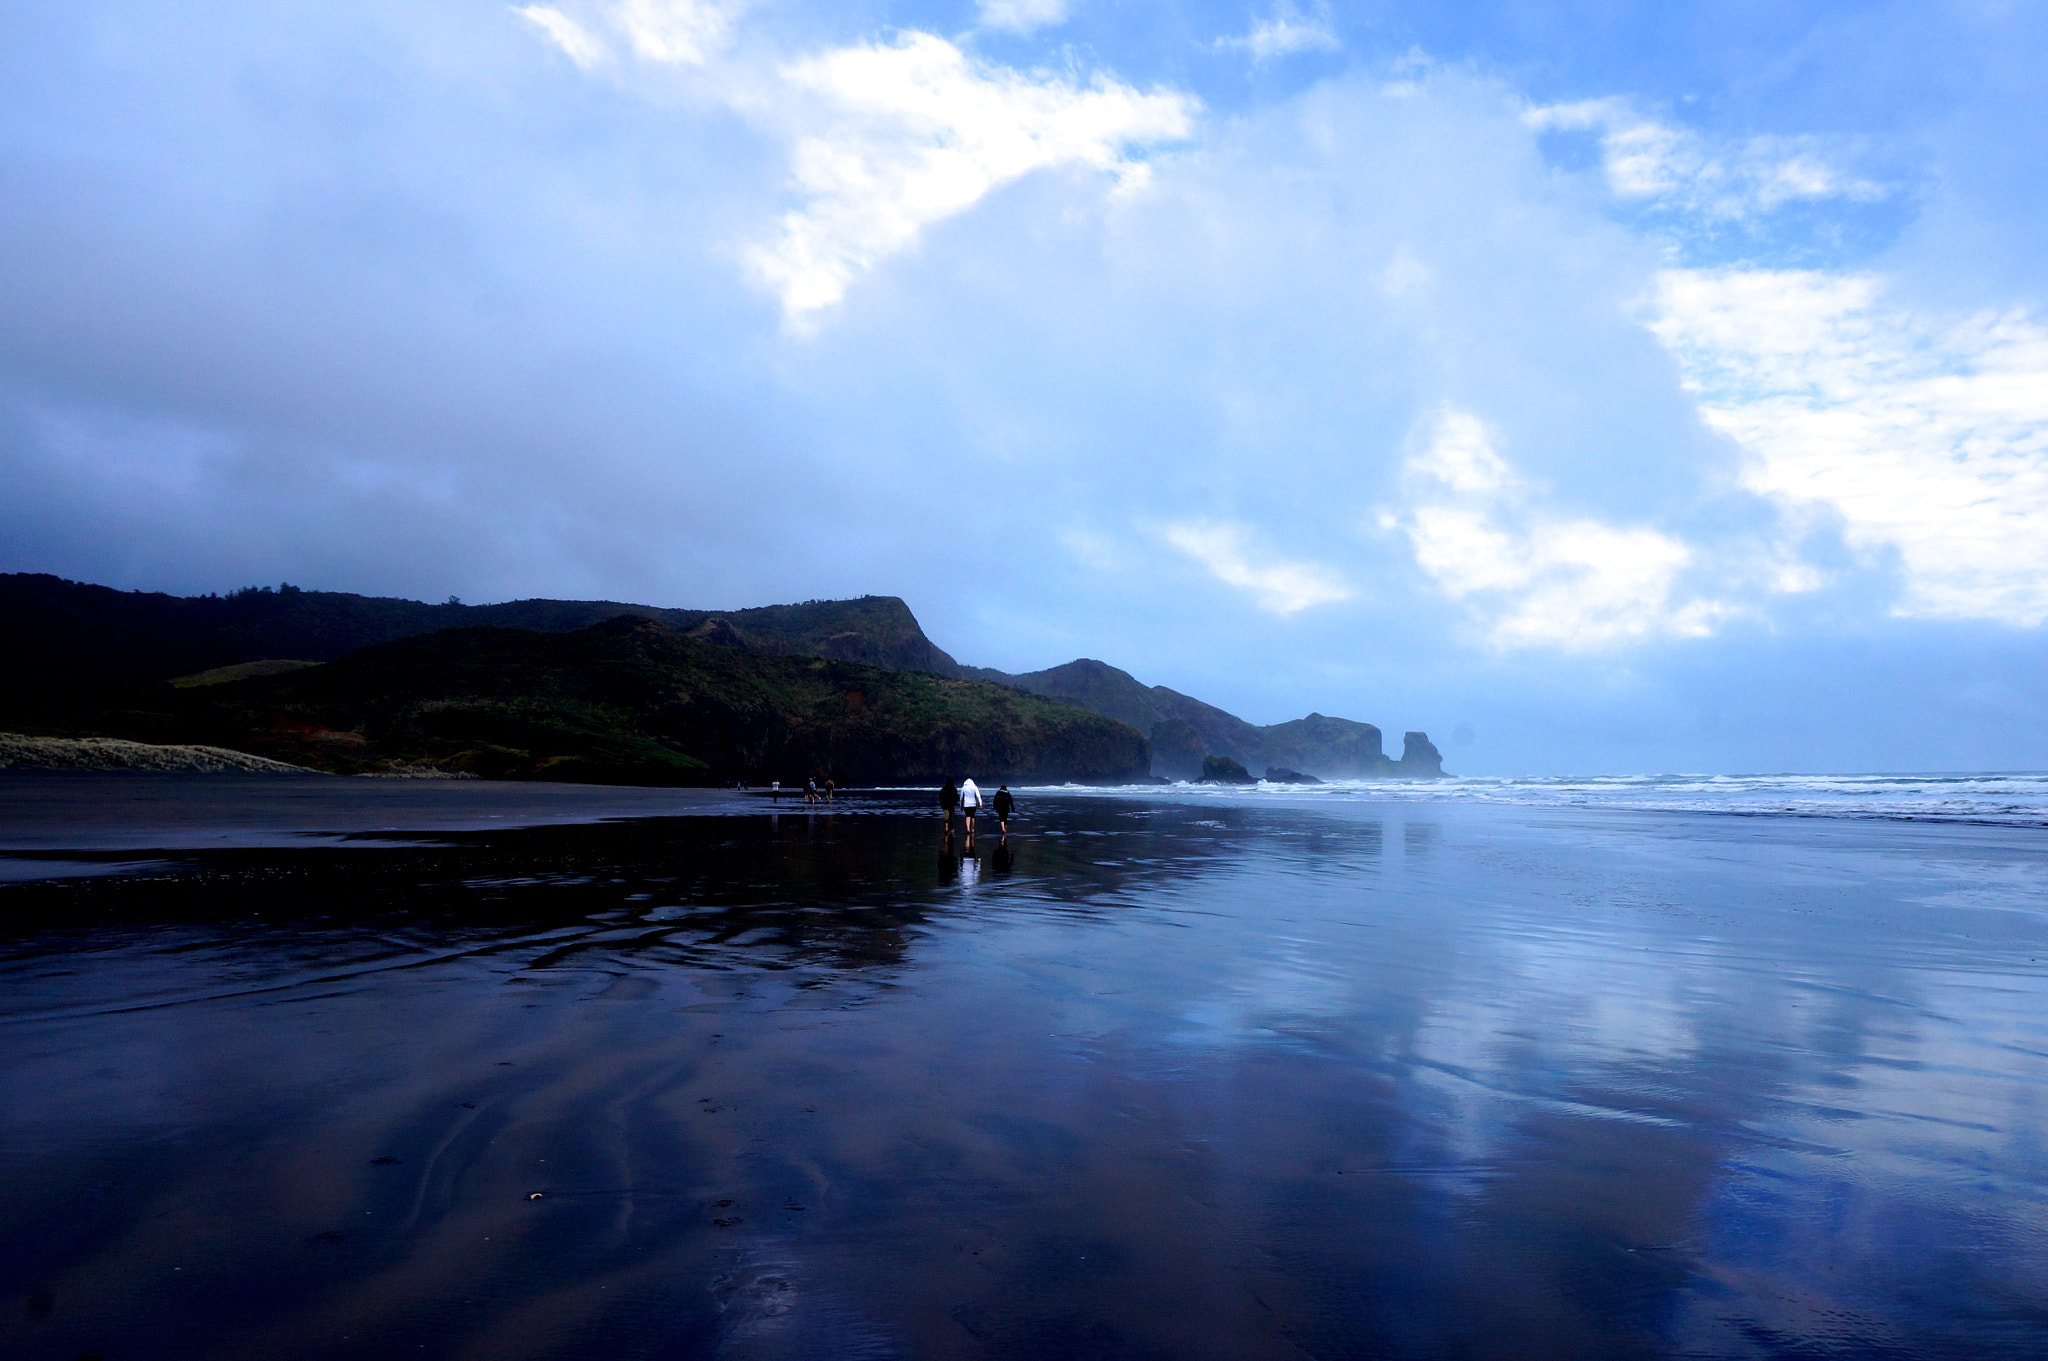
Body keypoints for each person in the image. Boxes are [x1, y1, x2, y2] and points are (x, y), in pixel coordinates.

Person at [959, 777, 981, 848]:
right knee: (972, 816)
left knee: (967, 816)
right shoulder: (974, 787)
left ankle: (968, 828)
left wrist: (961, 805)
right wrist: (980, 804)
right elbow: (978, 796)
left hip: (966, 804)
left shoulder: (963, 788)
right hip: (973, 804)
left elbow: (961, 797)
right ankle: (972, 829)